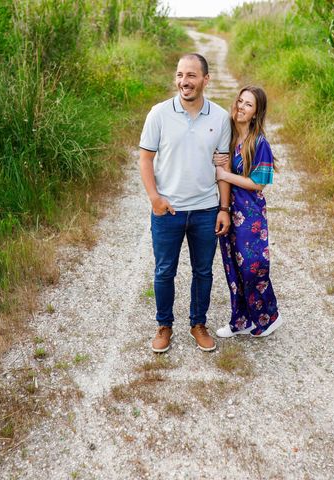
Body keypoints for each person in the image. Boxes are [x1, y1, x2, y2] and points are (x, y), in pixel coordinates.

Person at [139, 53, 232, 353]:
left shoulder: (219, 117)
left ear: (206, 79)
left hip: (206, 210)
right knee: (164, 271)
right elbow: (145, 159)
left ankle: (198, 324)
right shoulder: (159, 113)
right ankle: (164, 326)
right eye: (180, 75)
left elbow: (223, 168)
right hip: (169, 210)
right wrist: (155, 199)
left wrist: (224, 208)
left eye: (191, 75)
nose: (184, 81)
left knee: (203, 271)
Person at [213, 85, 283, 338]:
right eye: (240, 101)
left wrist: (226, 174)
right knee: (233, 265)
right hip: (226, 208)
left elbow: (259, 183)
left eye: (248, 104)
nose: (240, 107)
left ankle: (268, 316)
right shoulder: (227, 136)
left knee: (253, 266)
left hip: (250, 213)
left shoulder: (259, 143)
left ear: (256, 112)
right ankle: (241, 321)